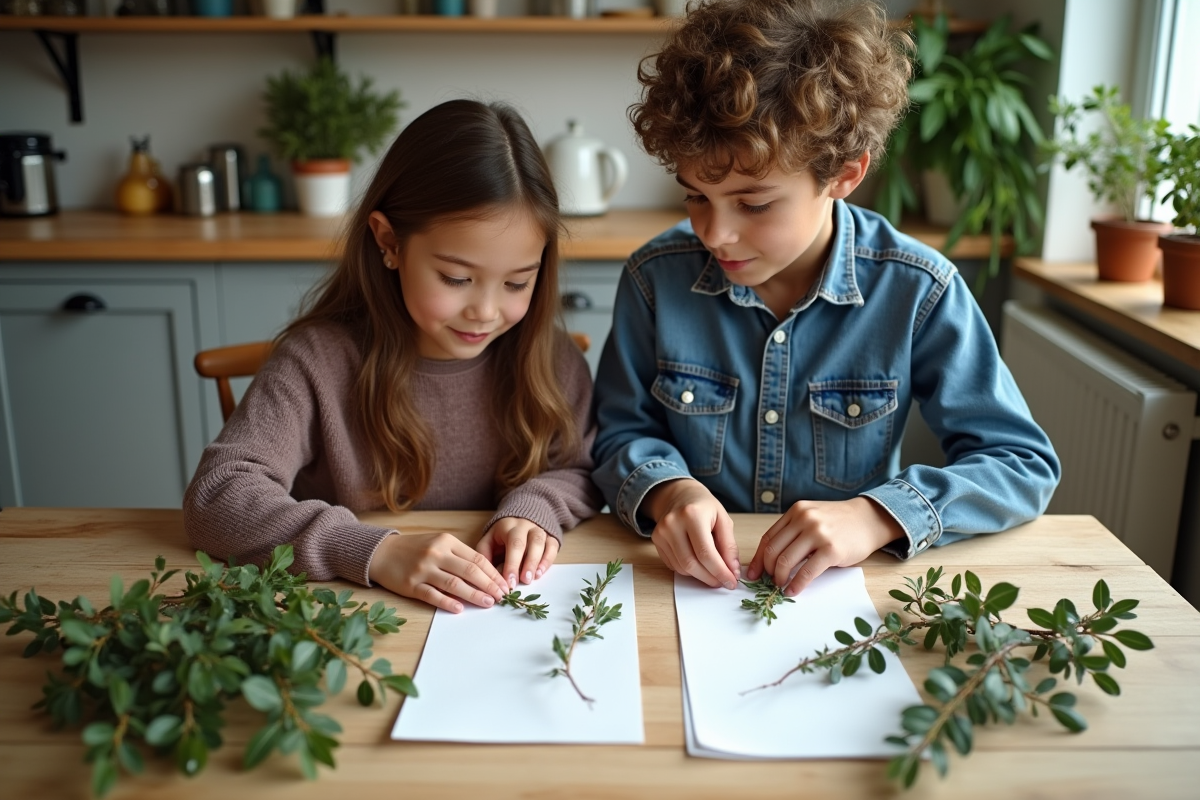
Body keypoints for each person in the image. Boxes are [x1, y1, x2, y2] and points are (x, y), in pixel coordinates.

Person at [592, 0, 1060, 598]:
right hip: (682, 591)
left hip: (844, 600)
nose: (715, 233)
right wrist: (666, 491)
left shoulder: (919, 289)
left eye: (753, 204)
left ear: (843, 174)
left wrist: (877, 515)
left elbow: (1020, 464)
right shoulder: (654, 278)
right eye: (695, 196)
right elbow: (617, 432)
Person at [185, 100, 602, 614]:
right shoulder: (317, 361)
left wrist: (537, 508)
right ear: (389, 242)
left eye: (518, 281)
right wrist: (371, 549)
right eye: (456, 278)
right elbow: (218, 496)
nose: (487, 311)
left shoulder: (551, 359)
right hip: (349, 615)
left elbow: (583, 467)